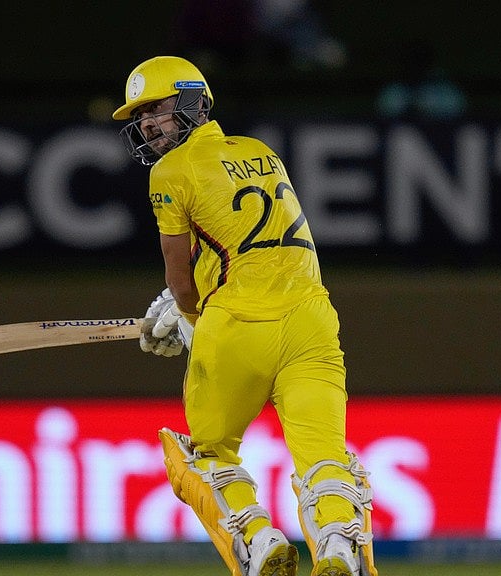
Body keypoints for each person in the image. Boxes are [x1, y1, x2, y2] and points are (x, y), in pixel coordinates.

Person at [112, 55, 377, 576]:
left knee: (201, 455)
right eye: (139, 116)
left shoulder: (168, 171)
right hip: (312, 320)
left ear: (192, 101)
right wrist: (191, 305)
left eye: (156, 109)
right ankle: (339, 549)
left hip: (235, 328)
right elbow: (250, 245)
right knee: (324, 457)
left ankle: (258, 542)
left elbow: (178, 271)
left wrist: (189, 317)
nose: (145, 124)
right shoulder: (259, 151)